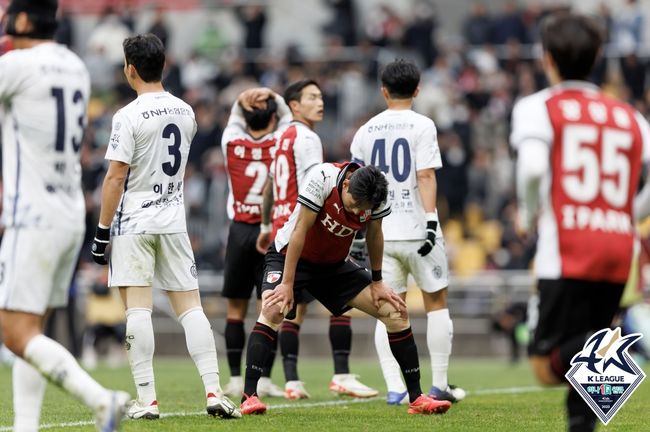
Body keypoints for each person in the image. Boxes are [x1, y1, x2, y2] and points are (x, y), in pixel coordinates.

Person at [511, 13, 650, 432]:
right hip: (617, 246)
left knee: (545, 366)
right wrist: (629, 216)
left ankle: (627, 352)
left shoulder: (539, 106)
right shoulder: (629, 115)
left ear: (547, 58)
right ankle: (583, 423)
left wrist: (527, 211)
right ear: (596, 59)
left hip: (568, 246)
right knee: (593, 350)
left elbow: (533, 169)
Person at [91, 33, 240, 420]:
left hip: (135, 220)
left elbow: (115, 178)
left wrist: (101, 231)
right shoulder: (186, 111)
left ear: (130, 69)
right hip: (173, 219)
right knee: (190, 308)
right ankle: (214, 391)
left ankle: (147, 400)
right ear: (164, 65)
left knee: (136, 310)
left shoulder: (127, 115)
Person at [0, 1, 130, 431]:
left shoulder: (16, 65)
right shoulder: (73, 64)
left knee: (14, 332)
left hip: (31, 213)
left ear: (19, 21)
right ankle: (25, 426)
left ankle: (101, 399)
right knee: (32, 326)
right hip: (68, 211)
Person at [240, 162, 453, 416]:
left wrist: (377, 281)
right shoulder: (322, 178)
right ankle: (249, 397)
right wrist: (287, 284)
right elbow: (299, 230)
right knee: (274, 308)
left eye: (362, 209)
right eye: (353, 204)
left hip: (333, 266)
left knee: (395, 312)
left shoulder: (378, 195)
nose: (355, 211)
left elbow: (375, 235)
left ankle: (417, 398)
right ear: (347, 183)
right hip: (289, 256)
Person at [350, 59, 465, 405]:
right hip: (418, 229)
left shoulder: (365, 130)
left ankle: (396, 388)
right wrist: (431, 219)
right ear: (417, 90)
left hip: (381, 231)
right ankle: (439, 384)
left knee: (389, 309)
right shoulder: (423, 124)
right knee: (436, 304)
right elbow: (426, 175)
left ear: (383, 91)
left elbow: (356, 184)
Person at [256, 79, 378, 399]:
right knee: (342, 299)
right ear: (294, 105)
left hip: (283, 226)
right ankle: (341, 373)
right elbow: (317, 185)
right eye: (312, 97)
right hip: (304, 227)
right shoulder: (307, 137)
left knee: (290, 308)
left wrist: (267, 223)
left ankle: (292, 380)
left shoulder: (281, 137)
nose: (320, 102)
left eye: (321, 96)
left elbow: (269, 186)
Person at [221, 86, 291, 399]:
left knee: (235, 309)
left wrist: (245, 97)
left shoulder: (231, 142)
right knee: (271, 308)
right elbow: (289, 116)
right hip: (272, 231)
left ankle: (236, 378)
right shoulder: (282, 141)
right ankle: (262, 379)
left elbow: (236, 113)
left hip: (239, 231)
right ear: (273, 117)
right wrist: (270, 94)